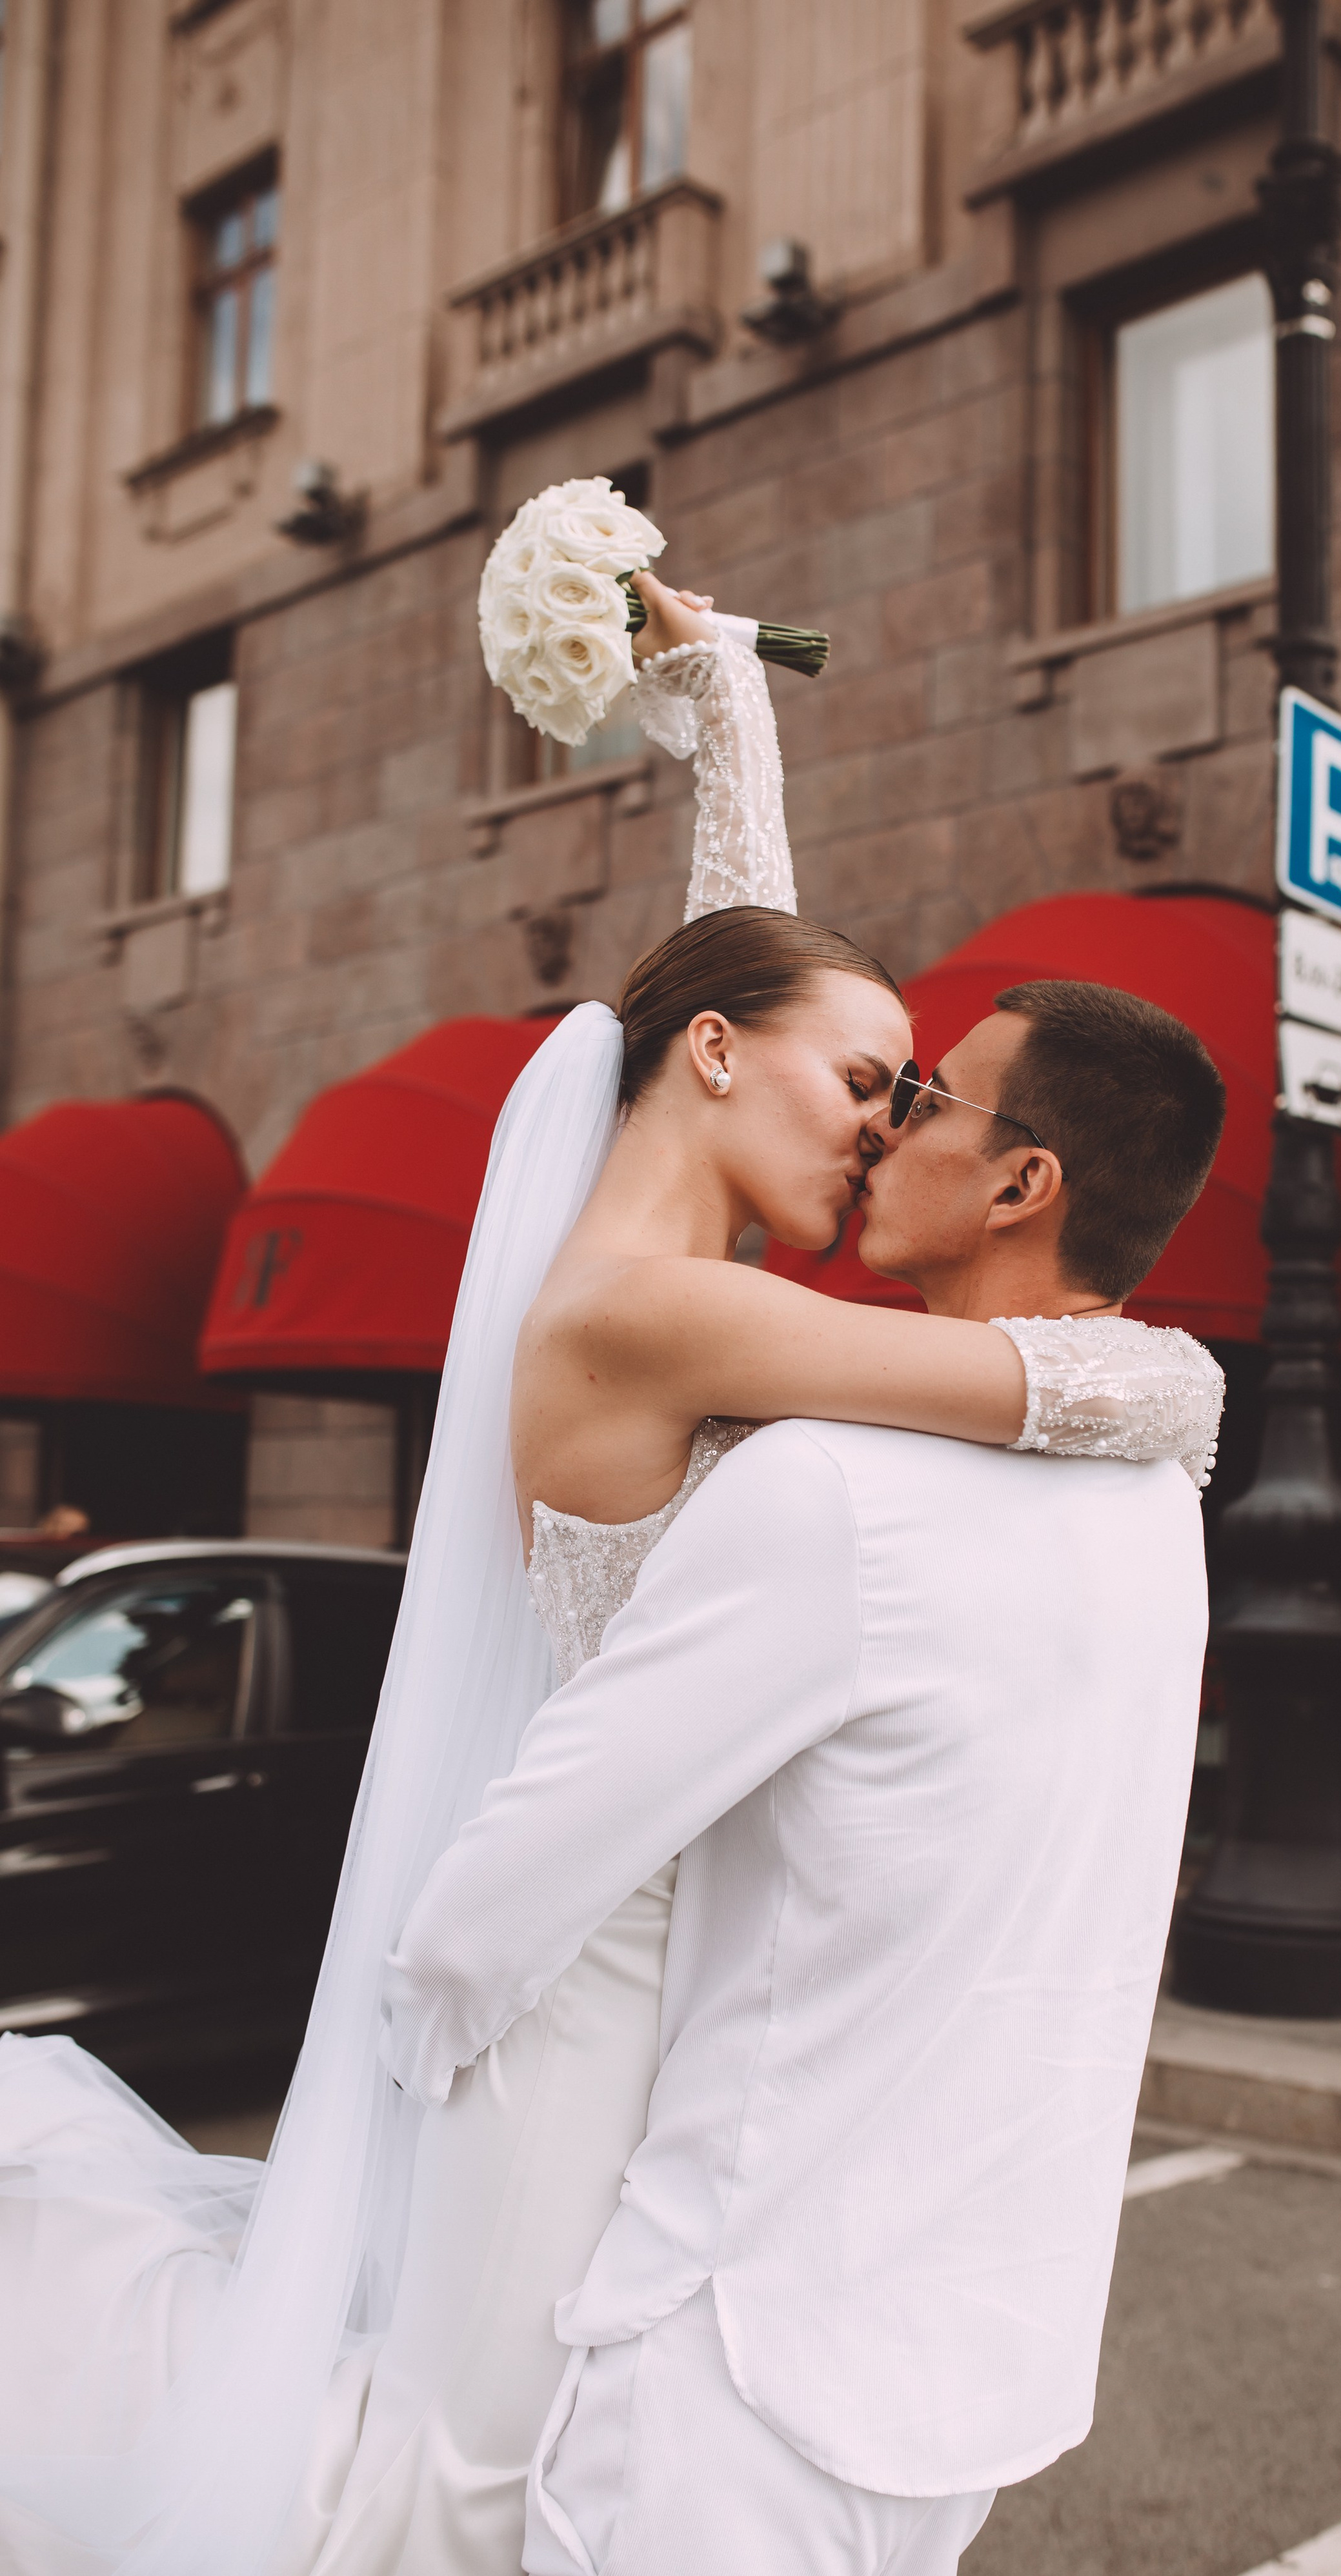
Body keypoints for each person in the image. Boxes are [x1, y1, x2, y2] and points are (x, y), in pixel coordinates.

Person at [0, 579, 1222, 2576]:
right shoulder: (657, 1320)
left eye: (916, 1095)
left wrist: (726, 715)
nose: (883, 1122)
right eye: (872, 1090)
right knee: (453, 2486)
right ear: (726, 1065)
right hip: (577, 1949)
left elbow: (762, 1001)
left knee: (497, 2447)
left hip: (662, 1944)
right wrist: (1164, 1375)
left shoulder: (677, 1251)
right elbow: (1017, 1379)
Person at [380, 962, 1227, 2574]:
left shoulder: (829, 1490)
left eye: (921, 1100)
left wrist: (404, 2076)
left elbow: (495, 1897)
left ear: (1018, 1180)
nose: (884, 1127)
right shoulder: (1156, 1508)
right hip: (984, 2359)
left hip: (735, 2361)